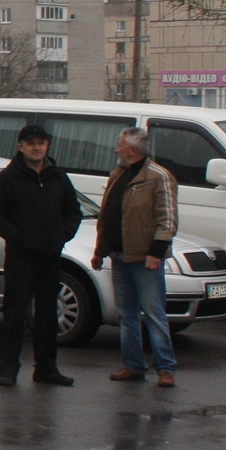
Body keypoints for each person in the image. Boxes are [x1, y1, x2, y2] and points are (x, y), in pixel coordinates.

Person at [0, 123, 84, 387]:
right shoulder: (7, 178)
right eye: (31, 143)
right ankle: (7, 370)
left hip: (50, 257)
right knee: (15, 314)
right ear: (20, 146)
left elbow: (74, 211)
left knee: (48, 314)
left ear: (47, 145)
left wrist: (63, 234)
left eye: (41, 142)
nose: (37, 147)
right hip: (20, 257)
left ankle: (47, 368)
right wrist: (17, 236)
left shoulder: (58, 177)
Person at [91, 127, 180, 387]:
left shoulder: (158, 177)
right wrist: (100, 251)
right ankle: (133, 365)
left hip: (145, 258)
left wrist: (156, 252)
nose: (117, 149)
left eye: (120, 145)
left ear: (132, 149)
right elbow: (107, 216)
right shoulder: (118, 175)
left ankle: (165, 369)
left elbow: (168, 219)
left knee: (153, 313)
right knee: (126, 314)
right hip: (120, 255)